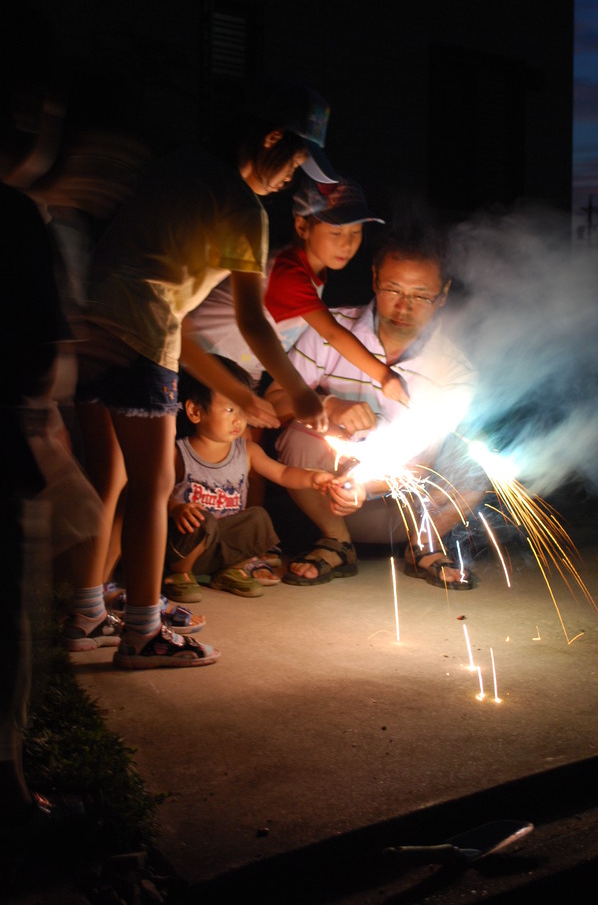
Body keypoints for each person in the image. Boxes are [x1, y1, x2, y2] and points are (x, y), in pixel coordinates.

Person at [62, 79, 337, 669]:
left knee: (109, 478)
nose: (294, 176)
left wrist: (240, 393)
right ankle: (143, 631)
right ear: (270, 139)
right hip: (141, 338)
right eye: (295, 159)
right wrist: (296, 391)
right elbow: (252, 323)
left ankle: (85, 612)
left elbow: (178, 325)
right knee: (155, 486)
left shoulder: (180, 166)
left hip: (91, 325)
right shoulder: (243, 210)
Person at [265, 223, 488, 589]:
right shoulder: (331, 329)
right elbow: (272, 402)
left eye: (421, 295)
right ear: (374, 280)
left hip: (406, 512)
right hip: (326, 498)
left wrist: (362, 485)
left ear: (443, 294)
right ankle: (335, 543)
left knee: (472, 459)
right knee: (300, 431)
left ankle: (425, 546)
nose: (405, 307)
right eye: (393, 290)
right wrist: (330, 405)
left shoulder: (455, 370)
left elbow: (425, 454)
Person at [186, 174, 409, 405]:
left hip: (226, 374)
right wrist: (385, 376)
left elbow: (260, 352)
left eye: (356, 232)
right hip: (195, 366)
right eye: (336, 232)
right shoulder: (287, 274)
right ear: (302, 226)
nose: (347, 243)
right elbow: (332, 334)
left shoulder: (314, 277)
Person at [165, 357, 341, 600]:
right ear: (195, 411)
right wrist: (176, 509)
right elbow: (153, 496)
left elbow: (283, 473)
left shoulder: (247, 451)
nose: (239, 419)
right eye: (229, 409)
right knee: (201, 521)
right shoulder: (178, 454)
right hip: (186, 547)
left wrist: (313, 477)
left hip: (223, 546)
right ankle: (180, 574)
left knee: (257, 517)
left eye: (242, 409)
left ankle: (231, 570)